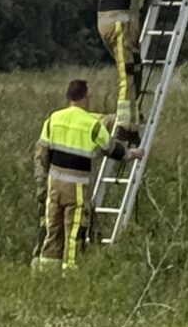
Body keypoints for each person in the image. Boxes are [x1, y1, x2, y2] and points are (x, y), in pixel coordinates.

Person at [95, 0, 179, 138]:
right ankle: (124, 124)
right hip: (123, 27)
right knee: (127, 77)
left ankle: (132, 119)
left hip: (106, 28)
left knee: (135, 70)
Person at [32, 79, 122, 271]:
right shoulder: (92, 125)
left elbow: (41, 154)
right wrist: (132, 154)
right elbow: (112, 148)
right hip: (77, 190)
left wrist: (42, 185)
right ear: (86, 97)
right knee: (73, 234)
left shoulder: (53, 119)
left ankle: (47, 272)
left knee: (52, 231)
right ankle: (70, 275)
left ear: (68, 97)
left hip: (54, 187)